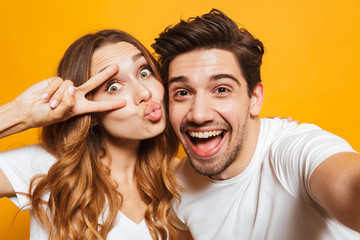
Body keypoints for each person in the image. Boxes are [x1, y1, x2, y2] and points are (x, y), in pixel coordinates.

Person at [152, 9, 360, 239]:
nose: (199, 115)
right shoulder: (177, 186)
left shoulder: (293, 152)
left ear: (255, 98)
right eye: (182, 93)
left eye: (221, 90)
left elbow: (348, 185)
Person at [0, 29, 183, 240]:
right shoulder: (52, 169)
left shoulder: (181, 179)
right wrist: (20, 113)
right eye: (114, 87)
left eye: (144, 72)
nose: (144, 93)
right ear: (91, 112)